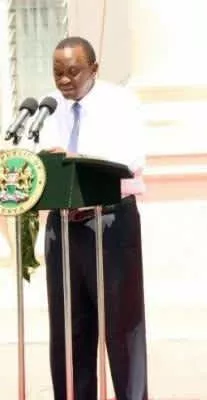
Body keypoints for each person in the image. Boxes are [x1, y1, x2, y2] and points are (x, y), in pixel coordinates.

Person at [37, 36, 148, 400]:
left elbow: (131, 158)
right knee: (69, 331)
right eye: (58, 72)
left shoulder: (120, 102)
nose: (64, 80)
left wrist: (76, 160)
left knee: (122, 327)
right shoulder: (48, 108)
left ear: (94, 69)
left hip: (110, 223)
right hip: (63, 228)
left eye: (73, 71)